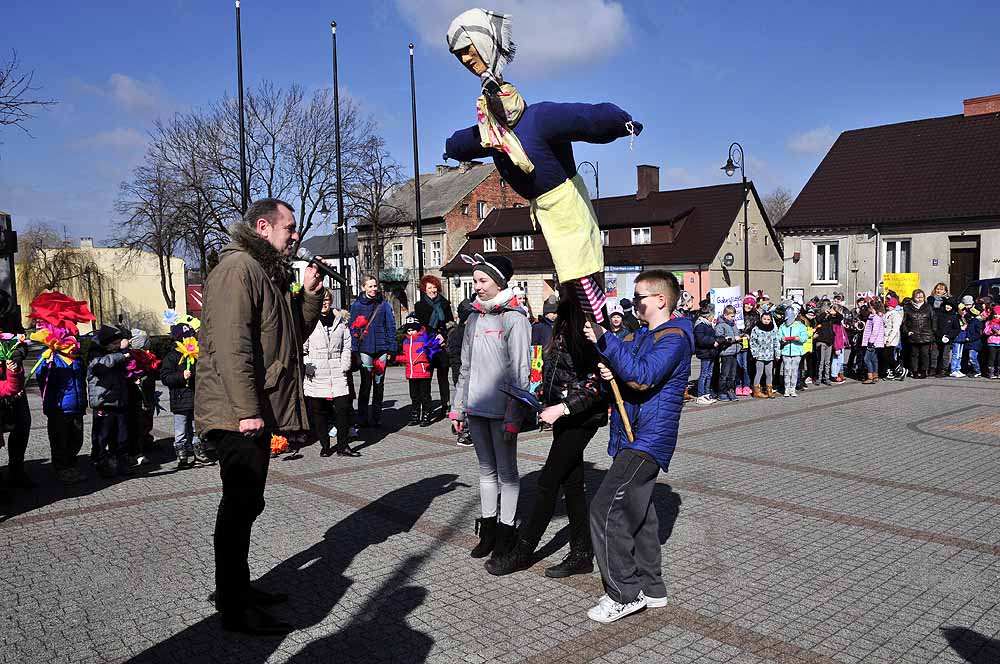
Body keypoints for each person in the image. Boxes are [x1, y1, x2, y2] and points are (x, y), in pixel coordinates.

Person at [195, 198, 323, 635]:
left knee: (247, 504)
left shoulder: (265, 271)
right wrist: (248, 410)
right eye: (289, 228)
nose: (296, 235)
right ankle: (233, 604)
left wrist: (308, 295)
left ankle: (240, 588)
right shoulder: (238, 269)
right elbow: (233, 347)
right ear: (263, 227)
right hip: (236, 413)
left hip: (251, 411)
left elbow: (288, 338)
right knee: (239, 505)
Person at [582, 269, 693, 623]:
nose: (634, 303)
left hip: (649, 438)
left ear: (661, 300)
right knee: (641, 513)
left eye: (640, 296)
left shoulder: (674, 338)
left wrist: (609, 342)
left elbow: (643, 378)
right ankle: (652, 587)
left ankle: (624, 593)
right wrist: (607, 355)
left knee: (604, 509)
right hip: (632, 434)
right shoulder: (641, 335)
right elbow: (626, 368)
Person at [485, 285, 607, 578]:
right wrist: (543, 394)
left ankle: (524, 552)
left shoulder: (587, 324)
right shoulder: (563, 321)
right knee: (573, 483)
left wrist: (561, 408)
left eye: (564, 288)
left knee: (547, 482)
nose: (557, 292)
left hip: (581, 417)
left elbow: (594, 383)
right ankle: (581, 553)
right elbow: (560, 370)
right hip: (564, 412)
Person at [450, 254, 531, 563]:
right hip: (476, 409)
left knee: (507, 472)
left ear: (499, 282)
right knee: (486, 471)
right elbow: (466, 367)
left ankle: (506, 533)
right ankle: (488, 531)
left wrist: (514, 415)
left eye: (482, 281)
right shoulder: (475, 318)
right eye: (475, 281)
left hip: (502, 411)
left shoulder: (514, 318)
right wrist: (459, 409)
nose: (477, 287)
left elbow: (520, 371)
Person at [303, 289, 358, 457]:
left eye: (327, 299)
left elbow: (347, 344)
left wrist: (344, 364)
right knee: (319, 411)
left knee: (343, 408)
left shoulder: (340, 320)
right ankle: (325, 445)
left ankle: (342, 446)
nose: (324, 303)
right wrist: (308, 366)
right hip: (316, 370)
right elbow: (302, 348)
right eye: (321, 300)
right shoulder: (308, 321)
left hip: (336, 369)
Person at [37, 334, 87, 484]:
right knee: (60, 440)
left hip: (76, 407)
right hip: (58, 409)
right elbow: (42, 378)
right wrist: (47, 365)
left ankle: (71, 465)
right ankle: (62, 469)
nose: (74, 349)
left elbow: (81, 380)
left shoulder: (77, 360)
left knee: (76, 438)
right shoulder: (51, 358)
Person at [349, 276, 397, 428]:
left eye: (375, 286)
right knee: (366, 383)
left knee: (379, 383)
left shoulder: (384, 305)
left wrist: (391, 348)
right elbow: (353, 329)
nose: (373, 289)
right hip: (365, 350)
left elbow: (391, 326)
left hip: (381, 349)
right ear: (363, 288)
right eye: (370, 286)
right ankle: (362, 417)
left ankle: (376, 416)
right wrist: (355, 349)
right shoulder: (356, 306)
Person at [161, 322, 209, 470]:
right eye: (186, 338)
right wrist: (181, 376)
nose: (189, 340)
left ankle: (198, 452)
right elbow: (165, 377)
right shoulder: (172, 357)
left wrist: (195, 374)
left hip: (195, 398)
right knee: (180, 429)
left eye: (191, 337)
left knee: (196, 428)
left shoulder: (196, 355)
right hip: (180, 399)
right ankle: (182, 454)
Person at [87, 325, 131, 477]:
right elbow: (99, 367)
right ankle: (100, 460)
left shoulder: (116, 353)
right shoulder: (95, 353)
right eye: (114, 343)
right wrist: (122, 355)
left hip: (118, 400)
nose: (117, 346)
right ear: (106, 343)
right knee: (102, 435)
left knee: (121, 434)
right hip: (103, 401)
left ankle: (119, 460)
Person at [413, 275, 454, 421]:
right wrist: (433, 336)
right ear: (424, 290)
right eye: (429, 288)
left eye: (434, 287)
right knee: (426, 379)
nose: (433, 290)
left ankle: (445, 405)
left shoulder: (444, 303)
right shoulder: (420, 305)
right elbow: (422, 326)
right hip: (428, 345)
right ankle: (427, 409)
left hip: (441, 345)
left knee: (443, 377)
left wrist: (443, 335)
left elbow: (450, 322)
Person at [0, 325, 31, 488]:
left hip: (10, 375)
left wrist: (11, 357)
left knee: (22, 424)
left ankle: (16, 470)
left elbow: (21, 342)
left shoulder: (8, 312)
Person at [125, 328, 159, 467]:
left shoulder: (147, 356)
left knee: (146, 417)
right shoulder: (134, 356)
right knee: (140, 420)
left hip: (148, 392)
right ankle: (139, 445)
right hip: (140, 393)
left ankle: (146, 440)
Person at [397, 314, 435, 426]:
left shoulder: (424, 338)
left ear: (417, 328)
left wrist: (424, 355)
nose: (410, 332)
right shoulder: (406, 342)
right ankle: (415, 414)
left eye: (413, 330)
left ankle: (426, 414)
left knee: (425, 395)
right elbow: (406, 357)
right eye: (408, 330)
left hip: (423, 372)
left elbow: (430, 353)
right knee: (414, 396)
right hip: (411, 373)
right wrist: (396, 358)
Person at [448, 298, 476, 447]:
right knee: (464, 403)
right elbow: (455, 357)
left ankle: (462, 427)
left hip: (469, 373)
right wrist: (459, 373)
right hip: (461, 372)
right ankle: (463, 433)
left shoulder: (470, 331)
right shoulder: (458, 333)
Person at [902, 289, 934, 379]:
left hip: (926, 334)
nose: (920, 299)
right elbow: (904, 322)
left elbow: (933, 320)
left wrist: (932, 331)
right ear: (913, 297)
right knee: (914, 354)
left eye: (921, 297)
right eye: (917, 297)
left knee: (925, 354)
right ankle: (914, 371)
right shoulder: (908, 307)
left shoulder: (928, 307)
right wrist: (907, 332)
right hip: (913, 334)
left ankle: (924, 371)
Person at [693, 300, 719, 405]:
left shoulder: (708, 325)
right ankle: (700, 395)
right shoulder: (700, 325)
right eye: (712, 316)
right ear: (708, 316)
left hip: (711, 352)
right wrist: (713, 341)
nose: (713, 318)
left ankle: (707, 393)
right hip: (705, 353)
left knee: (709, 374)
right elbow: (701, 340)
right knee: (704, 374)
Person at [750, 310, 780, 398]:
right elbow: (752, 341)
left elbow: (776, 341)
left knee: (769, 373)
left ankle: (769, 390)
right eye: (764, 319)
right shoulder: (756, 329)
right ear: (761, 319)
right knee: (759, 372)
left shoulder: (773, 329)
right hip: (760, 355)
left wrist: (777, 353)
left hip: (770, 355)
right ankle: (756, 391)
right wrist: (754, 353)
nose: (766, 321)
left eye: (768, 319)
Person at [778, 307, 807, 397]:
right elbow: (779, 336)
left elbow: (804, 337)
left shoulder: (800, 326)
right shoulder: (782, 326)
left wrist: (799, 338)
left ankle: (792, 388)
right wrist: (782, 339)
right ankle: (786, 388)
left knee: (794, 371)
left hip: (797, 351)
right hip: (786, 351)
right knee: (786, 370)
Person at [714, 305, 741, 401]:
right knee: (725, 373)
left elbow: (737, 334)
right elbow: (720, 339)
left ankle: (730, 390)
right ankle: (722, 392)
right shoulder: (720, 325)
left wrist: (742, 336)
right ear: (725, 315)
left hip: (734, 351)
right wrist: (734, 339)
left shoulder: (733, 325)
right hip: (726, 352)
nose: (733, 318)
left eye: (734, 316)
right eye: (731, 316)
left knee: (732, 374)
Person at [932, 298, 960, 378]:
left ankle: (943, 370)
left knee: (945, 355)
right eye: (947, 305)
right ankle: (933, 368)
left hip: (947, 339)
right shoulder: (938, 314)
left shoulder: (954, 317)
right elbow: (935, 326)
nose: (948, 307)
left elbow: (957, 329)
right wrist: (937, 334)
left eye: (951, 306)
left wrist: (949, 336)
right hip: (937, 337)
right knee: (934, 354)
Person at [861, 300, 886, 384]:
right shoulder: (872, 316)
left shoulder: (876, 318)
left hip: (873, 342)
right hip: (874, 342)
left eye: (869, 306)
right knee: (874, 359)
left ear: (872, 307)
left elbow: (875, 331)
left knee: (866, 359)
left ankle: (870, 376)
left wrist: (871, 342)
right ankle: (875, 376)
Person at [738, 295, 758, 396]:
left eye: (751, 304)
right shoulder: (738, 313)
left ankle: (746, 385)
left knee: (745, 366)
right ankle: (738, 385)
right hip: (737, 342)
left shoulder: (755, 315)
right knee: (737, 365)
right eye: (747, 303)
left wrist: (749, 335)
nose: (748, 306)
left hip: (748, 344)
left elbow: (756, 329)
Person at [814, 305, 838, 385]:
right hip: (821, 341)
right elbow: (818, 319)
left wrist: (835, 312)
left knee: (827, 361)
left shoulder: (831, 319)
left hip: (829, 342)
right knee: (820, 361)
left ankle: (826, 378)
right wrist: (825, 313)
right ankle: (818, 378)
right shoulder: (820, 317)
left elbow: (840, 318)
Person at [882, 296, 905, 380]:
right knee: (885, 356)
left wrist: (889, 339)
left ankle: (900, 369)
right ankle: (890, 371)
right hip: (884, 338)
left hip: (892, 339)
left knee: (889, 356)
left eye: (890, 305)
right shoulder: (886, 314)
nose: (888, 307)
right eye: (887, 306)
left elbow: (895, 328)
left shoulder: (895, 315)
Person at [966, 305, 986, 377]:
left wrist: (970, 338)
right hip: (971, 342)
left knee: (972, 358)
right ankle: (974, 370)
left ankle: (977, 371)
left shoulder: (978, 322)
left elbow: (979, 334)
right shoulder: (972, 320)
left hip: (975, 343)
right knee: (971, 358)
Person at [984, 306, 1000, 379]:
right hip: (992, 342)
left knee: (999, 358)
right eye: (995, 314)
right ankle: (991, 372)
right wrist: (991, 331)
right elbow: (985, 331)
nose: (996, 315)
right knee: (992, 358)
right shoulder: (989, 322)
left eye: (998, 314)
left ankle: (998, 372)